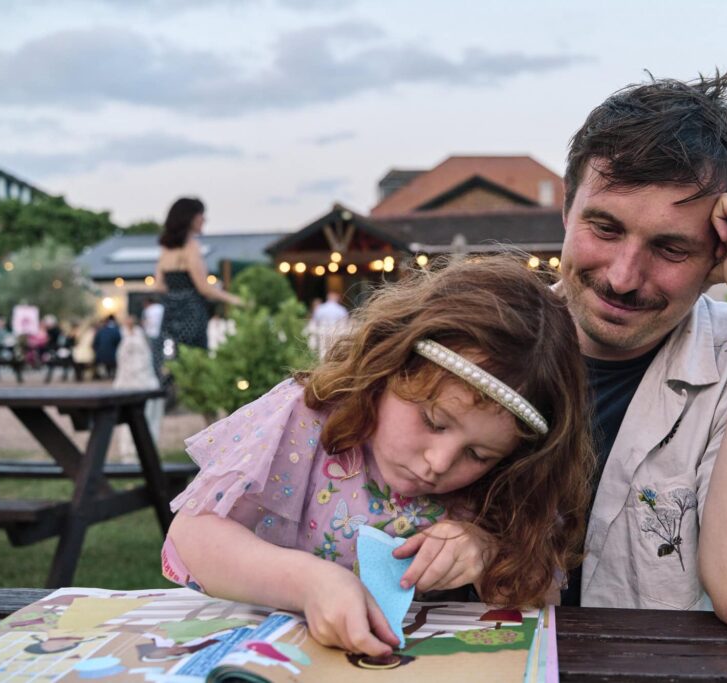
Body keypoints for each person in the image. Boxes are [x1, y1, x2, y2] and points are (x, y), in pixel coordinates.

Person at [162, 254, 594, 656]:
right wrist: (309, 582)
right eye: (434, 421)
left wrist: (486, 553)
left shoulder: (510, 482)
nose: (439, 463)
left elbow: (540, 595)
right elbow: (194, 536)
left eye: (479, 454)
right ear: (389, 365)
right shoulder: (306, 421)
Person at [556, 64, 727, 628]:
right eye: (605, 229)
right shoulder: (479, 339)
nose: (622, 276)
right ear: (564, 214)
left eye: (671, 248)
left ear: (720, 257)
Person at [153, 197, 244, 386]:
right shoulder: (191, 246)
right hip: (191, 313)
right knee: (196, 365)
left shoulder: (165, 249)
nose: (205, 219)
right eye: (201, 215)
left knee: (171, 362)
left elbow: (159, 285)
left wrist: (175, 294)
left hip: (170, 313)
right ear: (191, 218)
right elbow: (204, 288)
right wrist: (235, 299)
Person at [111, 316, 164, 463]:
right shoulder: (135, 340)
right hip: (139, 384)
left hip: (134, 384)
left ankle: (133, 453)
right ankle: (138, 453)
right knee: (144, 421)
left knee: (135, 422)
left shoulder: (132, 340)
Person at [92, 315, 121, 379]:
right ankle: (111, 374)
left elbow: (95, 343)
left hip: (102, 353)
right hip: (112, 354)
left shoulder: (101, 330)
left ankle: (108, 374)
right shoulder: (117, 330)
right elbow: (119, 341)